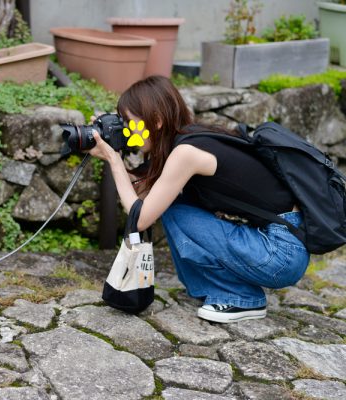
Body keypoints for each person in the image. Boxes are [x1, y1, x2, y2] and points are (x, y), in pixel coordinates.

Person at [88, 75, 310, 323]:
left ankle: (243, 298)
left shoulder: (186, 153)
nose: (128, 131)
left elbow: (140, 218)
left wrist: (114, 161)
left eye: (129, 123)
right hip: (279, 244)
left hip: (282, 252)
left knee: (175, 212)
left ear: (157, 121)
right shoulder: (185, 141)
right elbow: (143, 198)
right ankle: (218, 290)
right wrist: (111, 148)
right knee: (172, 207)